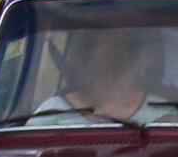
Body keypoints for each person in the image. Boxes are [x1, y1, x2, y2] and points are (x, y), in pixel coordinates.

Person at [27, 27, 170, 125]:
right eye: (93, 46)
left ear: (131, 58)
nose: (101, 55)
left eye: (119, 46)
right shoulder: (50, 114)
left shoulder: (162, 112)